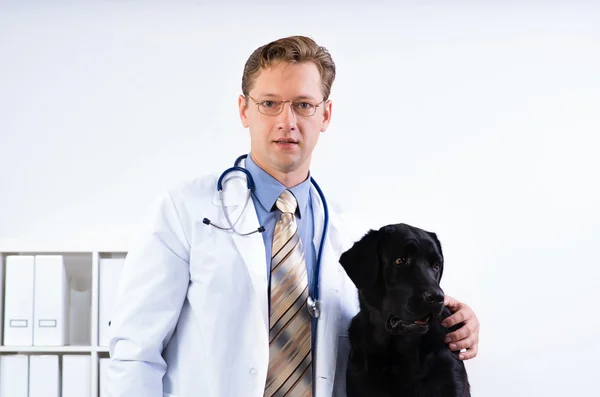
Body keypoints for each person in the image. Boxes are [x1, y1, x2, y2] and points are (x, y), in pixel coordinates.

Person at [106, 35, 480, 397]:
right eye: (270, 103)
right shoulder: (184, 212)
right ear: (243, 110)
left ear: (325, 114)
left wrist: (452, 323)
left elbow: (382, 332)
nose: (287, 121)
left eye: (303, 105)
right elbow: (134, 351)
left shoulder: (350, 236)